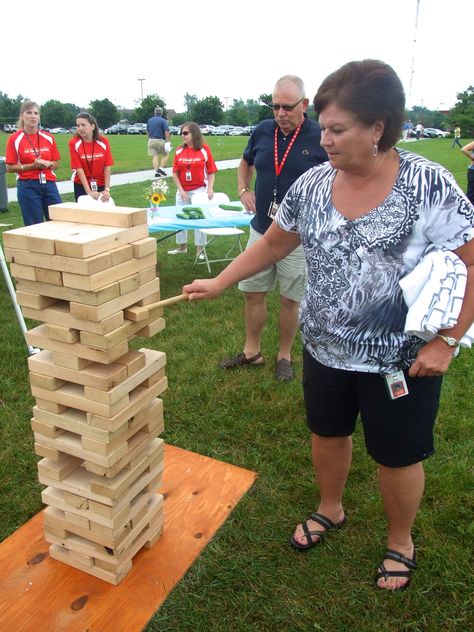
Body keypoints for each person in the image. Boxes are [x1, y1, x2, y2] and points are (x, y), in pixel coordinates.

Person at [182, 59, 474, 591]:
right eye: (325, 127)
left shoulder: (428, 184)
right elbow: (274, 242)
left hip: (401, 358)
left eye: (338, 129)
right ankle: (331, 508)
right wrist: (221, 282)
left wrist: (448, 341)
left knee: (398, 454)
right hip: (324, 347)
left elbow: (473, 262)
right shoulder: (315, 184)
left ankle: (400, 541)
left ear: (378, 128)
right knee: (327, 433)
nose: (327, 139)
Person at [220, 74, 327, 382]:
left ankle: (284, 356)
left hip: (296, 236)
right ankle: (251, 352)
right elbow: (245, 161)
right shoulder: (263, 131)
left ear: (304, 105)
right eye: (275, 106)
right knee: (252, 292)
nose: (280, 114)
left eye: (287, 107)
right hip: (261, 228)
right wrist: (243, 189)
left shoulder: (319, 136)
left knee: (289, 298)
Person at [5, 100, 61, 225]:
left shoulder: (48, 137)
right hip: (28, 185)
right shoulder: (15, 139)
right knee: (35, 226)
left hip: (49, 184)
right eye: (29, 113)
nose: (33, 116)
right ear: (22, 116)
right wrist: (32, 166)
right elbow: (9, 167)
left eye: (36, 113)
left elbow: (56, 163)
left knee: (58, 221)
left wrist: (49, 164)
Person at [169, 122, 218, 259]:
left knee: (199, 220)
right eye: (181, 133)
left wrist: (210, 189)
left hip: (199, 190)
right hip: (182, 191)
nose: (182, 136)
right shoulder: (179, 151)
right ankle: (181, 247)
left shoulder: (204, 149)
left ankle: (200, 250)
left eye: (185, 133)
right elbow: (175, 173)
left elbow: (211, 171)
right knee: (179, 218)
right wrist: (182, 191)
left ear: (194, 134)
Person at [68, 112, 114, 202]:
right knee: (85, 214)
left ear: (92, 126)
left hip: (101, 184)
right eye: (78, 125)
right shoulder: (73, 143)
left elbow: (107, 167)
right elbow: (78, 168)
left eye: (83, 125)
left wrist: (106, 189)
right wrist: (88, 191)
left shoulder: (103, 142)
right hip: (81, 185)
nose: (80, 128)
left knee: (102, 213)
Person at [147, 106, 171, 177]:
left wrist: (150, 138)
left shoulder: (149, 120)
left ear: (155, 112)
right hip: (160, 140)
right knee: (166, 154)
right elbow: (167, 132)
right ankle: (161, 168)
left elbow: (147, 132)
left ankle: (157, 172)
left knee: (155, 155)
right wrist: (168, 142)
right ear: (161, 113)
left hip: (151, 140)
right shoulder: (163, 121)